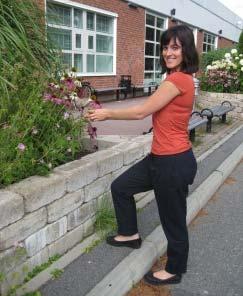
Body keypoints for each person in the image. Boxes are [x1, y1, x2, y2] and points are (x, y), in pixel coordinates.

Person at [86, 25, 199, 286]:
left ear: (186, 50)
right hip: (160, 159)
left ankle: (175, 269)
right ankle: (129, 234)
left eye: (175, 47)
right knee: (121, 187)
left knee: (173, 221)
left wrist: (107, 113)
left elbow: (141, 112)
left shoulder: (178, 80)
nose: (168, 52)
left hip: (173, 163)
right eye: (165, 47)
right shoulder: (174, 78)